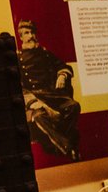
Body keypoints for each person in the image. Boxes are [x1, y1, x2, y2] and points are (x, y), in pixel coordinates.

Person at [16, 19, 82, 160]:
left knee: (74, 106)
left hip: (53, 95)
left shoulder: (45, 53)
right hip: (35, 98)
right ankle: (67, 147)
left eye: (32, 32)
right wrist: (33, 102)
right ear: (21, 37)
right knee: (40, 116)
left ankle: (59, 143)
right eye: (27, 33)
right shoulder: (18, 58)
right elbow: (19, 86)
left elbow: (63, 66)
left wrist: (62, 75)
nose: (31, 35)